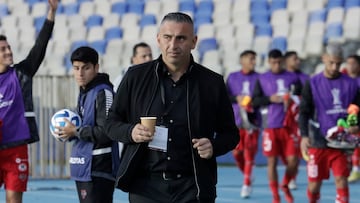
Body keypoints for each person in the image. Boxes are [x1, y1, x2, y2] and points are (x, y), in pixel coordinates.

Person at [105, 12, 239, 203]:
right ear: (158, 39)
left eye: (181, 38)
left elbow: (231, 134)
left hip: (193, 187)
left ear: (194, 41)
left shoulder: (212, 82)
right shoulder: (135, 76)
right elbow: (111, 122)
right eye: (168, 37)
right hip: (145, 186)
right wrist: (130, 131)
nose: (173, 45)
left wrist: (214, 146)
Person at [0, 0, 58, 202]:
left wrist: (51, 13)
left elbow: (40, 46)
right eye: (2, 49)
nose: (8, 52)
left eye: (8, 47)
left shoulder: (21, 73)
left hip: (16, 148)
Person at [299, 44, 360, 203]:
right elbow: (304, 112)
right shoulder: (312, 83)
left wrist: (356, 125)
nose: (335, 67)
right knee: (314, 185)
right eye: (331, 62)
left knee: (341, 180)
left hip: (341, 143)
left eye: (338, 63)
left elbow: (357, 109)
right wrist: (304, 136)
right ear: (324, 58)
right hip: (318, 142)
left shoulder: (352, 84)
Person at [57, 46, 115, 203]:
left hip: (99, 166)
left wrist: (75, 131)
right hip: (83, 165)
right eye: (76, 68)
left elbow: (107, 132)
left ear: (96, 67)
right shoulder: (85, 91)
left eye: (86, 68)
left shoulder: (103, 92)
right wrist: (66, 132)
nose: (80, 73)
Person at [252, 49, 302, 203]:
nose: (276, 65)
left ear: (283, 61)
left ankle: (285, 184)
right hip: (270, 125)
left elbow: (302, 97)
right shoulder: (262, 78)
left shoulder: (293, 77)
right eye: (273, 62)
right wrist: (270, 98)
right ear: (269, 62)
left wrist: (292, 99)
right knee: (272, 162)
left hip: (289, 126)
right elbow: (255, 101)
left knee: (293, 159)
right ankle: (275, 195)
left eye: (279, 62)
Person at [226, 50, 260, 198]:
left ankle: (246, 183)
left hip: (253, 122)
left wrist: (253, 103)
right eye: (250, 59)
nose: (253, 61)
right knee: (237, 153)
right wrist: (236, 98)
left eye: (254, 59)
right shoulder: (232, 77)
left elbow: (262, 98)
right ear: (242, 60)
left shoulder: (260, 78)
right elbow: (225, 96)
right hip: (237, 121)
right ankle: (247, 174)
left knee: (249, 155)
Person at [283, 51, 310, 190]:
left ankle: (291, 178)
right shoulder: (281, 77)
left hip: (298, 120)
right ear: (286, 61)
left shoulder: (305, 77)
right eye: (295, 59)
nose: (298, 61)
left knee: (295, 153)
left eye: (299, 59)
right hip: (280, 121)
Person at [342, 55, 360, 183]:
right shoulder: (343, 80)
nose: (351, 66)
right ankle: (350, 168)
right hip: (345, 114)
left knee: (356, 141)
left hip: (357, 114)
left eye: (353, 63)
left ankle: (355, 169)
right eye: (348, 63)